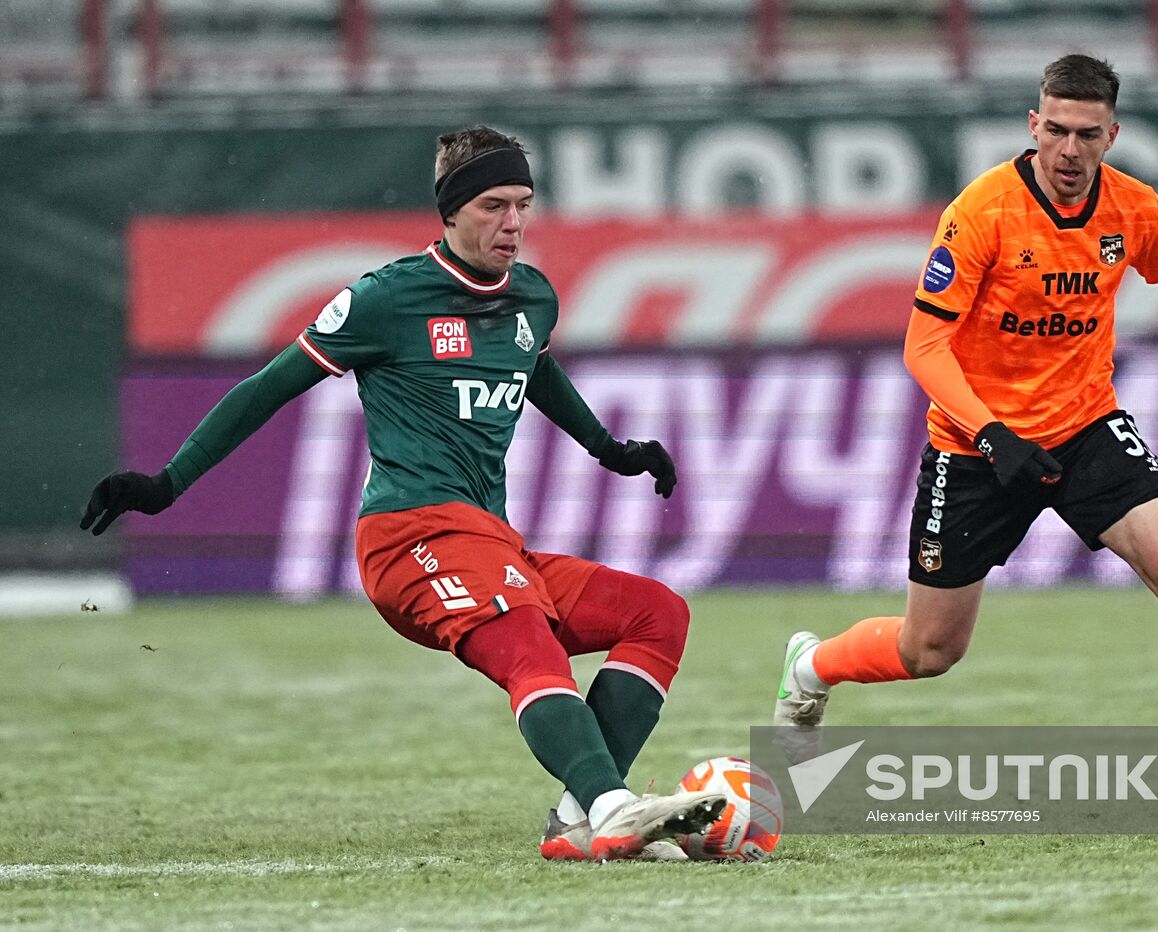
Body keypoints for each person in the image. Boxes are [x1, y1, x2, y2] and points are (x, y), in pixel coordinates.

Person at [81, 126, 725, 860]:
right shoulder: (384, 299)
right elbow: (267, 389)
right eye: (493, 205)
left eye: (523, 204)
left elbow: (534, 369)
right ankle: (615, 807)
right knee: (526, 638)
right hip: (409, 537)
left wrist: (609, 449)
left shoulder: (532, 299)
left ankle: (581, 822)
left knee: (657, 612)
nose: (513, 223)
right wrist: (167, 484)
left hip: (491, 540)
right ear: (450, 212)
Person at [773, 55, 1158, 813]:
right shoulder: (982, 212)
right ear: (1034, 126)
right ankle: (812, 667)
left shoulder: (1133, 209)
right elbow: (922, 347)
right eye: (1055, 130)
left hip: (1086, 423)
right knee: (929, 651)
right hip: (975, 447)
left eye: (1087, 135)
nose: (1069, 151)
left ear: (1112, 135)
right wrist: (994, 435)